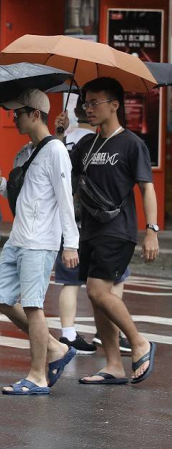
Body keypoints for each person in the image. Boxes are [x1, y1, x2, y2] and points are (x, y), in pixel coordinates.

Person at [65, 77, 158, 384]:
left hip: (118, 230)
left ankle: (139, 342)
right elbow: (64, 173)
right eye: (86, 103)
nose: (88, 109)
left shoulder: (131, 143)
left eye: (95, 103)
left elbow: (147, 188)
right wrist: (57, 134)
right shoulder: (86, 144)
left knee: (97, 290)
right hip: (89, 230)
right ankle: (114, 365)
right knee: (96, 297)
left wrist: (152, 230)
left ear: (114, 105)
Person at [0, 89, 79, 395]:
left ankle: (38, 376)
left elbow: (65, 200)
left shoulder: (56, 152)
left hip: (41, 241)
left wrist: (71, 244)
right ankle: (55, 347)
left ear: (35, 115)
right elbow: (22, 197)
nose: (14, 118)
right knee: (0, 298)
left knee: (33, 305)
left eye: (18, 113)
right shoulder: (25, 153)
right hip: (18, 238)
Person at [47, 102, 131, 354]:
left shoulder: (63, 141)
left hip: (69, 217)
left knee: (69, 280)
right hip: (98, 220)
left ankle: (69, 333)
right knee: (113, 279)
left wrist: (59, 133)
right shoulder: (95, 140)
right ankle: (111, 333)